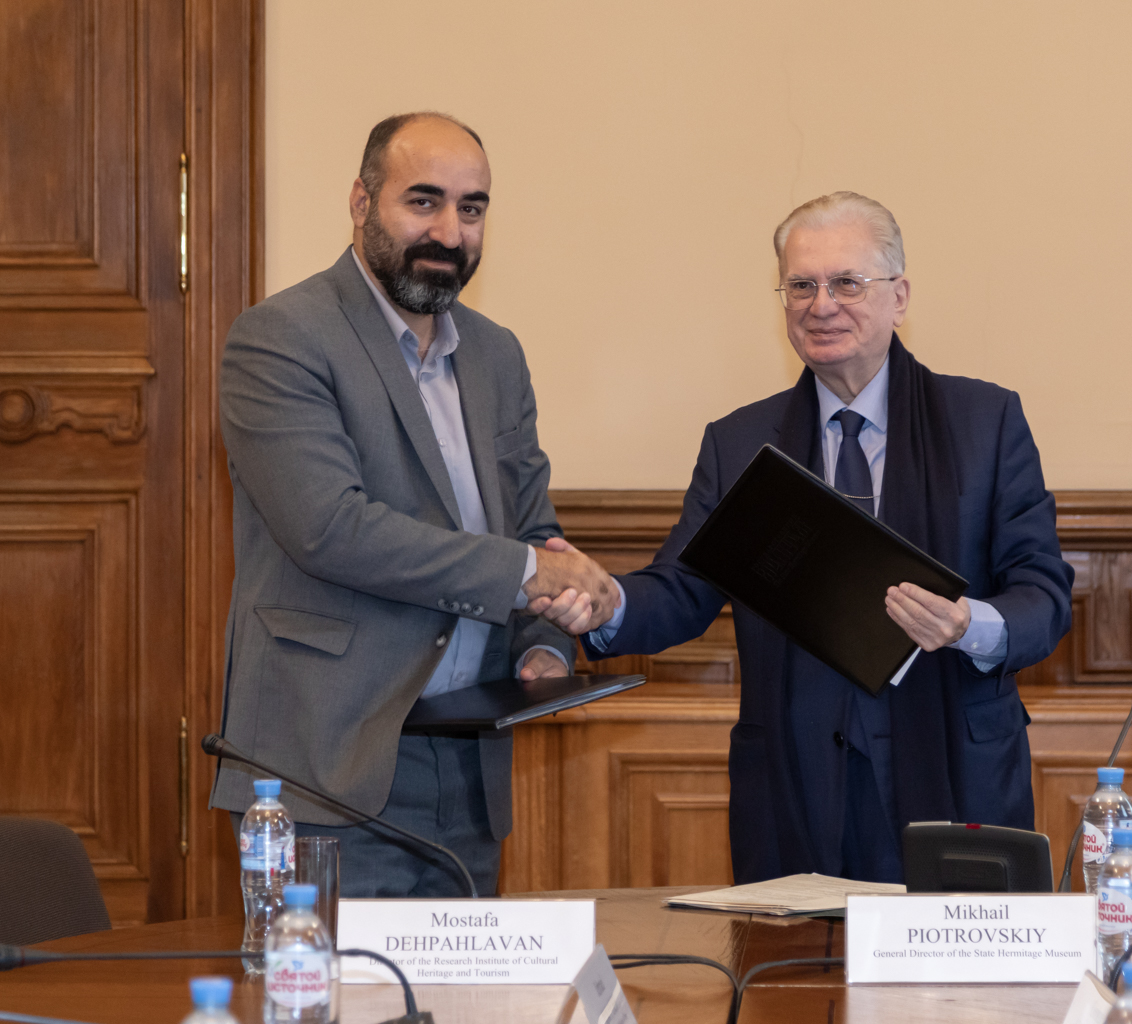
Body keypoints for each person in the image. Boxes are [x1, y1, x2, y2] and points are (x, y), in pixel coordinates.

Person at [537, 192, 1073, 883]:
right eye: (801, 285)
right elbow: (683, 588)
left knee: (954, 993)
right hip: (794, 784)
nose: (822, 304)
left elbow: (1043, 592)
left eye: (847, 282)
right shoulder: (739, 444)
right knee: (790, 984)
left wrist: (969, 623)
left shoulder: (985, 422)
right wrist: (608, 601)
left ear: (899, 295)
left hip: (954, 773)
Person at [209, 112, 617, 896]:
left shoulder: (496, 353)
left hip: (468, 764)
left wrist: (544, 645)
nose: (449, 232)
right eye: (422, 202)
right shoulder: (281, 337)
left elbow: (533, 531)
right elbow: (330, 529)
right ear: (361, 203)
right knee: (329, 1014)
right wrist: (528, 573)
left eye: (471, 209)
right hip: (323, 769)